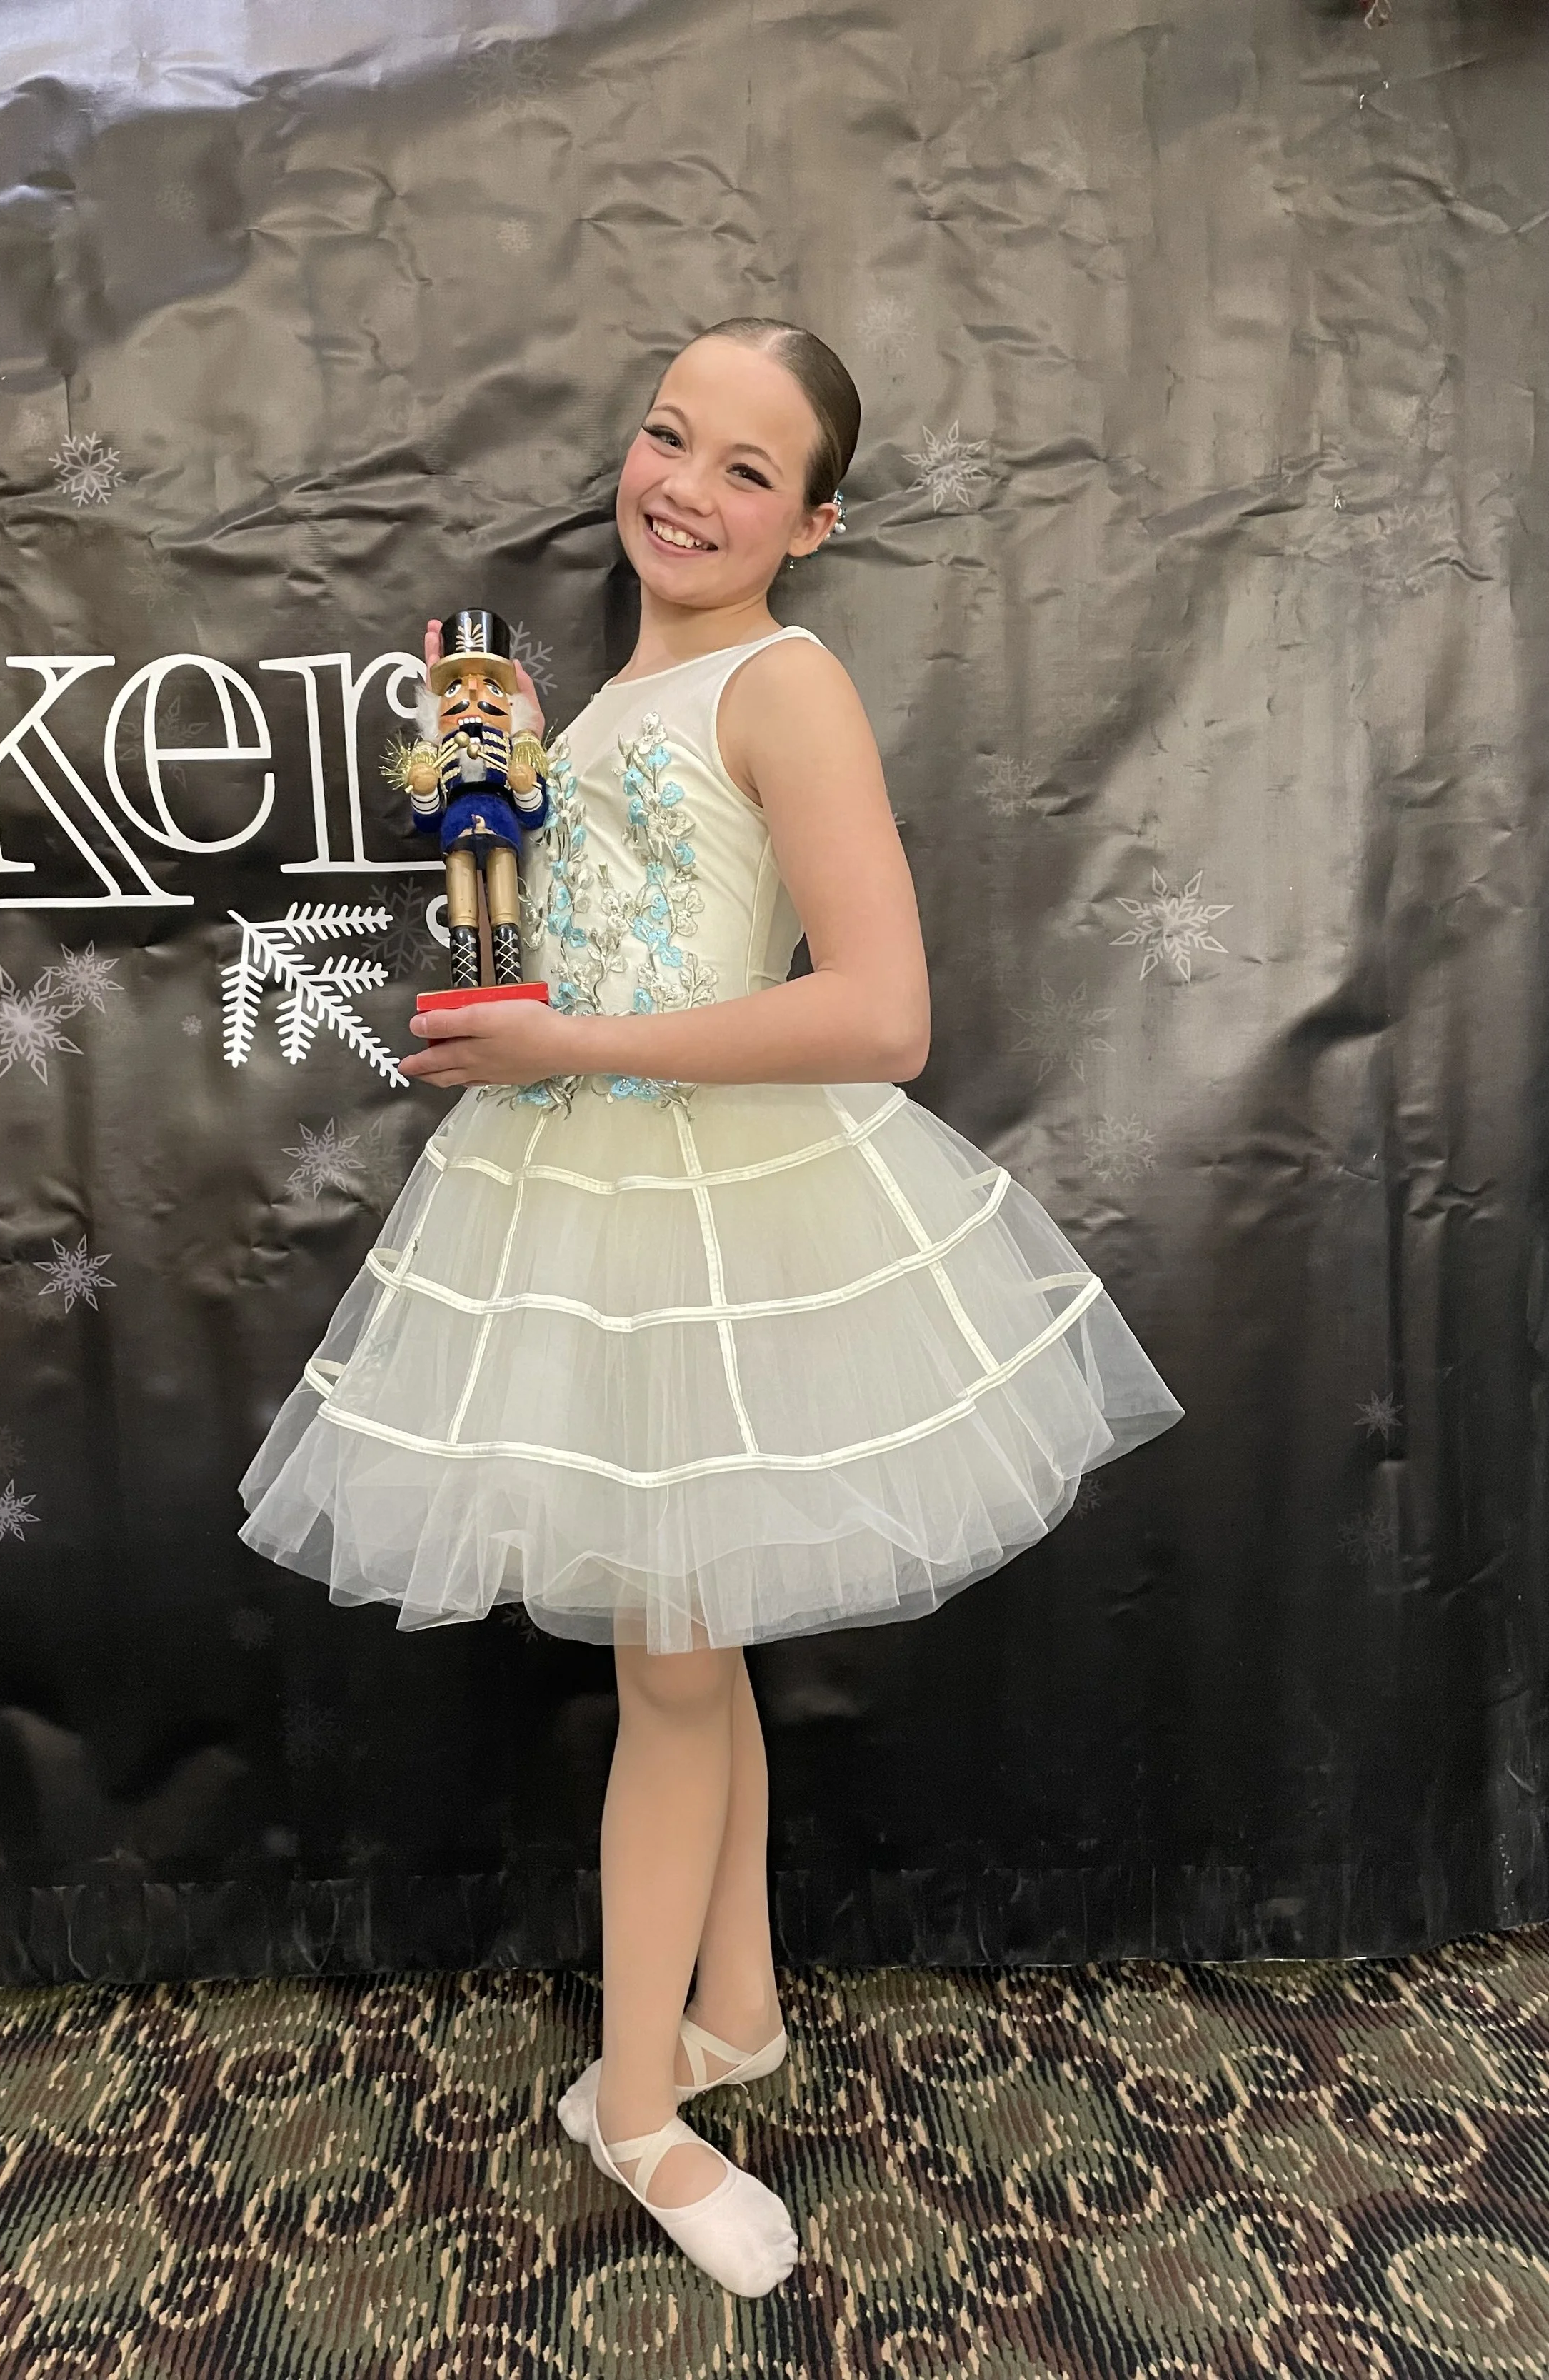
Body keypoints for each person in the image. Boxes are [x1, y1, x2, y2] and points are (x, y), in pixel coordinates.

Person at [238, 317, 1184, 2297]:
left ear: (813, 521)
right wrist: (485, 800)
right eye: (668, 435)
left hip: (710, 1216)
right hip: (578, 1193)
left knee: (670, 1664)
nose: (683, 483)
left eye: (745, 469)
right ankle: (733, 2002)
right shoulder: (611, 696)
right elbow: (576, 914)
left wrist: (569, 1032)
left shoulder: (784, 678)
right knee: (698, 1637)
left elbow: (879, 1009)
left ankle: (639, 2104)